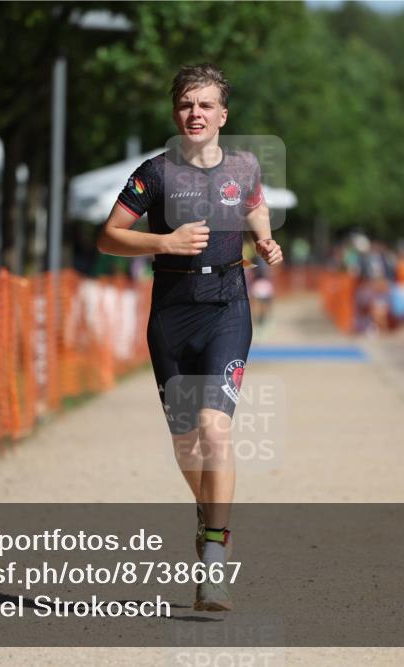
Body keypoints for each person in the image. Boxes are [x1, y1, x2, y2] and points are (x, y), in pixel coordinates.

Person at [97, 64, 282, 611]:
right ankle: (209, 516)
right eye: (186, 104)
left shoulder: (244, 167)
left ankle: (214, 562)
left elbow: (256, 205)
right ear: (175, 112)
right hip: (171, 314)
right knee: (186, 446)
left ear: (223, 115)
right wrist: (164, 242)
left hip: (228, 306)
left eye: (205, 104)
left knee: (214, 431)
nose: (195, 113)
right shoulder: (154, 174)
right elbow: (108, 238)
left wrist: (265, 241)